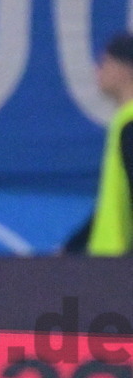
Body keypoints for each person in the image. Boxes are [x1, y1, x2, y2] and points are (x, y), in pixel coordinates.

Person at [65, 32, 133, 254]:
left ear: (124, 69)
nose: (97, 70)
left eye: (104, 62)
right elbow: (111, 207)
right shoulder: (123, 122)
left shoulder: (130, 125)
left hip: (120, 270)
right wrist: (74, 247)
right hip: (107, 268)